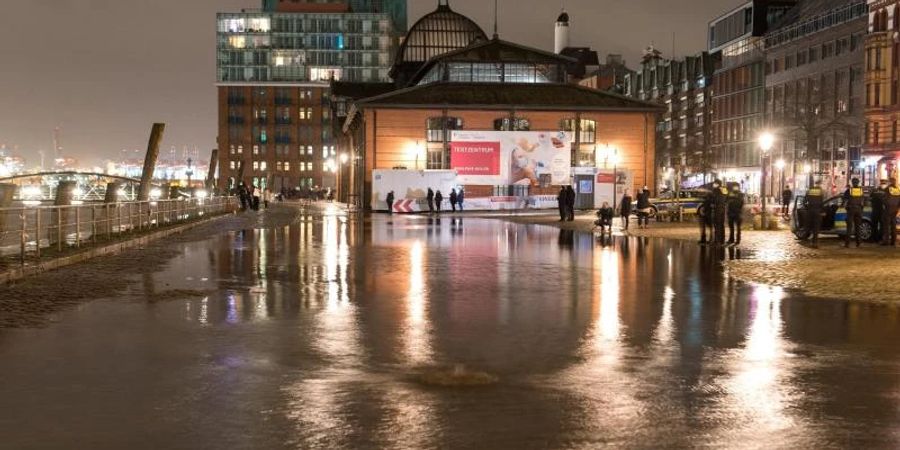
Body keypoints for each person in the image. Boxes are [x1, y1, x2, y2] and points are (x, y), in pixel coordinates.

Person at [842, 178, 864, 248]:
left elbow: (845, 201)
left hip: (851, 210)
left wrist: (845, 207)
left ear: (852, 183)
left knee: (849, 227)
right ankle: (858, 243)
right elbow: (863, 201)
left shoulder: (849, 190)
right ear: (858, 183)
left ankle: (847, 244)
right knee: (858, 227)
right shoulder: (861, 191)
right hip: (859, 210)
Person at [805, 181, 824, 248]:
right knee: (816, 227)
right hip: (817, 211)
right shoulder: (821, 191)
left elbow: (805, 201)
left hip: (810, 210)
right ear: (819, 184)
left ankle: (810, 241)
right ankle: (815, 242)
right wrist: (822, 211)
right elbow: (822, 202)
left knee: (810, 226)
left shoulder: (809, 190)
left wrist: (807, 208)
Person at [883, 178, 900, 246]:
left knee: (886, 226)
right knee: (893, 225)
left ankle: (886, 241)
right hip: (895, 209)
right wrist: (898, 208)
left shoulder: (888, 189)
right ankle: (893, 241)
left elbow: (884, 198)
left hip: (888, 209)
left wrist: (885, 205)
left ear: (890, 182)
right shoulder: (898, 189)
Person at [711, 179, 728, 244]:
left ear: (718, 184)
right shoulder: (724, 190)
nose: (714, 184)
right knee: (721, 224)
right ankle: (722, 240)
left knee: (717, 224)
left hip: (717, 209)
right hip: (722, 209)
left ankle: (717, 240)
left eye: (715, 183)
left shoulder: (717, 190)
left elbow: (717, 199)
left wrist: (713, 202)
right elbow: (726, 199)